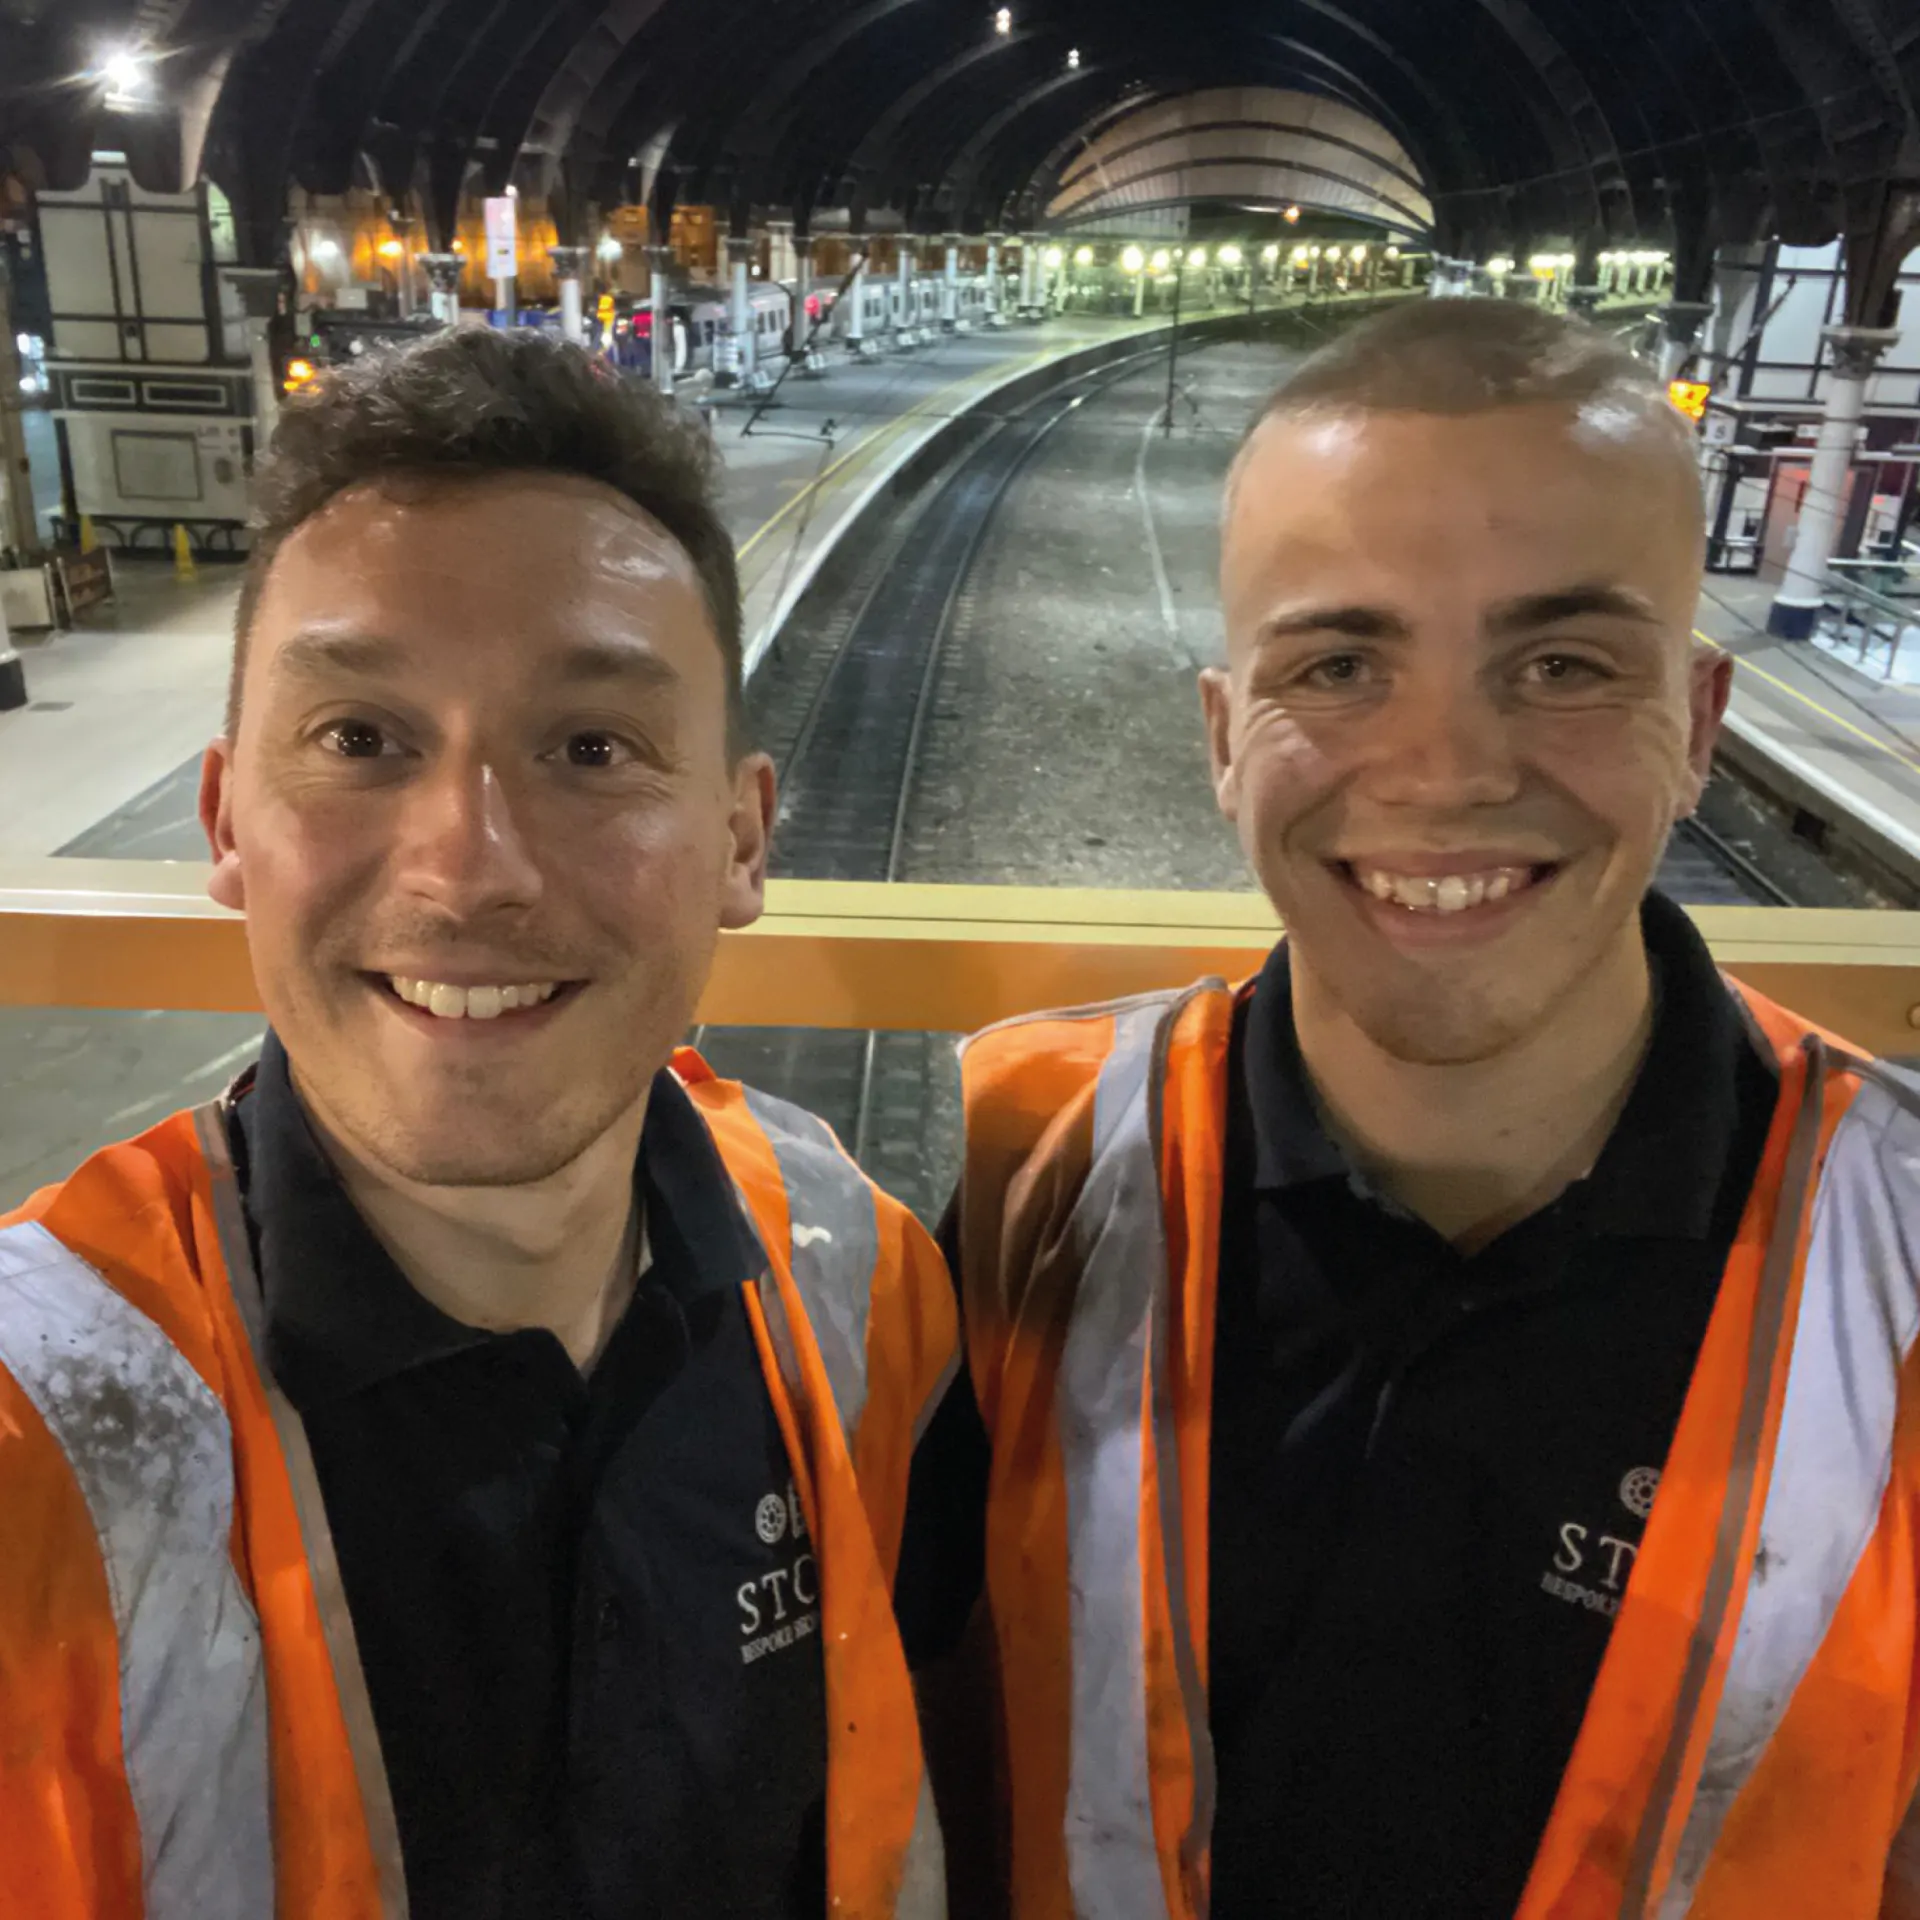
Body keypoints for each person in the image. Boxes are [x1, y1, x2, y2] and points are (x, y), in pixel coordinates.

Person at [941, 300, 1920, 1916]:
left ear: (1698, 728)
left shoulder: (1897, 1267)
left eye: (1563, 665)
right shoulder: (1030, 1180)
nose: (1447, 769)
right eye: (1340, 665)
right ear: (1223, 740)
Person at [0, 330, 956, 1919]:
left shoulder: (861, 1276)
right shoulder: (44, 1428)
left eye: (591, 749)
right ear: (226, 820)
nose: (471, 867)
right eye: (360, 740)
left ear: (741, 837)